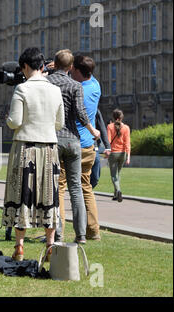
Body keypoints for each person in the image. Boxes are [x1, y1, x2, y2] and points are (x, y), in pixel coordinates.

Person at [2, 47, 65, 261]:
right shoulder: (55, 90)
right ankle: (49, 245)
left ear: (26, 67)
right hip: (49, 148)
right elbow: (60, 123)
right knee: (50, 196)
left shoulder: (21, 89)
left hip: (25, 147)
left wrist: (8, 120)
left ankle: (19, 246)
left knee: (22, 195)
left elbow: (15, 122)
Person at [47, 49, 100, 244]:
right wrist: (92, 130)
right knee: (77, 188)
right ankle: (82, 235)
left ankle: (58, 233)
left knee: (57, 190)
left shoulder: (48, 83)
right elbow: (81, 112)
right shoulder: (79, 85)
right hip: (74, 141)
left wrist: (47, 71)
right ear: (71, 67)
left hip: (54, 139)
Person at [69, 55, 103, 240]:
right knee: (86, 188)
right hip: (89, 145)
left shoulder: (76, 89)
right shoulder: (95, 86)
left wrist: (58, 69)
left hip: (72, 143)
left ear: (77, 71)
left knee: (59, 186)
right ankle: (93, 230)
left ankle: (54, 231)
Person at [107, 109, 131, 202]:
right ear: (122, 117)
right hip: (123, 153)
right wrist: (128, 156)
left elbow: (108, 141)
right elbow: (127, 143)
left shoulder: (110, 126)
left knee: (114, 175)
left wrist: (107, 152)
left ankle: (118, 191)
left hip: (113, 153)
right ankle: (115, 194)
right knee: (118, 174)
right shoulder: (126, 128)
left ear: (113, 117)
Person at [90, 109, 111, 188]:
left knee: (95, 176)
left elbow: (102, 128)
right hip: (78, 144)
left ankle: (87, 190)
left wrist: (108, 147)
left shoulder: (95, 109)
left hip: (93, 145)